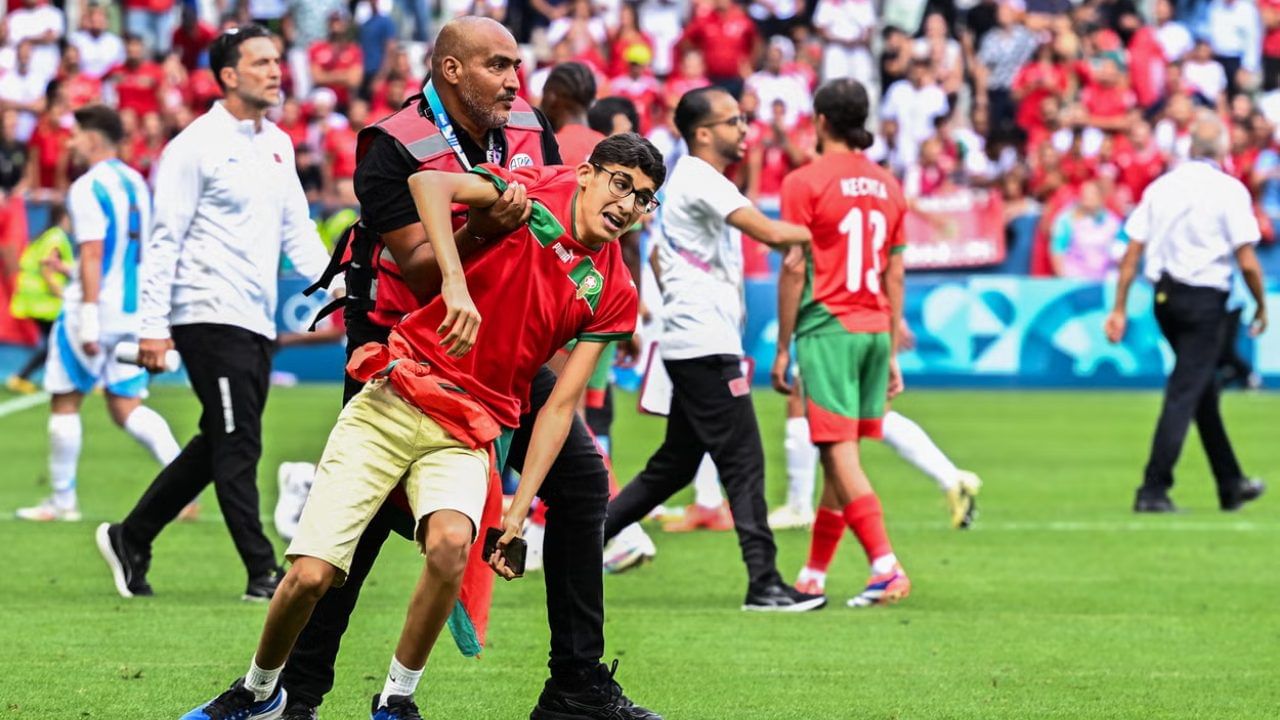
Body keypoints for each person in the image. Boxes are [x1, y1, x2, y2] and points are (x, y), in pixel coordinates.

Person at [178, 133, 665, 720]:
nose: (629, 204)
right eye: (621, 184)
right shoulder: (529, 188)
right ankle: (262, 692)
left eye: (643, 199)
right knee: (311, 575)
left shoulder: (613, 290)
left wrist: (517, 512)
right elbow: (427, 183)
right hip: (396, 393)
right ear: (586, 173)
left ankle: (396, 701)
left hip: (468, 429)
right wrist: (454, 283)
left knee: (452, 546)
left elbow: (560, 407)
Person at [277, 17, 659, 720]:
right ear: (452, 71)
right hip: (402, 341)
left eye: (516, 65)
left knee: (581, 482)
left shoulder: (529, 131)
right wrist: (486, 229)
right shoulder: (393, 142)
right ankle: (296, 695)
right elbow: (423, 272)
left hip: (495, 353)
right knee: (354, 533)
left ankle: (575, 685)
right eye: (498, 66)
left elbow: (551, 250)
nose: (515, 79)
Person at [94, 25, 332, 601]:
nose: (276, 71)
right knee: (240, 441)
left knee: (220, 438)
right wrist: (153, 326)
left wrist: (341, 288)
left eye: (277, 61)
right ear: (228, 75)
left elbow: (298, 233)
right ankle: (262, 572)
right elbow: (163, 239)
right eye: (261, 62)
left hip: (253, 318)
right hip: (204, 312)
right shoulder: (192, 146)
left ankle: (132, 536)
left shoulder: (277, 143)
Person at [602, 86, 821, 612]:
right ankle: (764, 583)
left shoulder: (695, 180)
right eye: (734, 120)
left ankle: (579, 540)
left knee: (674, 466)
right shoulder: (699, 177)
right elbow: (768, 232)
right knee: (743, 459)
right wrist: (828, 231)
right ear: (703, 133)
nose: (743, 128)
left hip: (695, 339)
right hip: (704, 343)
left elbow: (659, 261)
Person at [770, 78, 912, 608]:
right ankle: (813, 574)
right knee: (839, 452)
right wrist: (894, 345)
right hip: (876, 326)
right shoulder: (888, 185)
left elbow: (793, 264)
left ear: (821, 121)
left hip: (829, 326)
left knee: (837, 450)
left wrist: (784, 347)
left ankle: (886, 565)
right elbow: (896, 273)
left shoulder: (804, 181)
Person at [14, 105, 181, 523]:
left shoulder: (87, 187)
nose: (69, 143)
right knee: (126, 405)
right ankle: (182, 485)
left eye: (74, 135)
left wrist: (88, 314)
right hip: (131, 310)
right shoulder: (138, 184)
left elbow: (91, 253)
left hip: (91, 310)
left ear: (91, 139)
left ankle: (62, 502)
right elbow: (130, 253)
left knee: (65, 401)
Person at [1105, 112, 1268, 513]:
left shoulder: (1161, 187)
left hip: (1165, 298)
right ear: (1224, 150)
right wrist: (1262, 304)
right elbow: (1246, 259)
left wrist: (1120, 307)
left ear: (1189, 147)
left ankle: (1231, 484)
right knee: (1185, 391)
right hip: (1205, 300)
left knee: (1199, 390)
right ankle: (1153, 489)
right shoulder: (1230, 191)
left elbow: (1132, 251)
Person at [6, 204, 71, 395]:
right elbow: (47, 271)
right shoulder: (56, 237)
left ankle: (30, 377)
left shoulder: (45, 235)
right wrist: (63, 294)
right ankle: (21, 377)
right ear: (64, 217)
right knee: (56, 343)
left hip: (35, 300)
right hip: (45, 302)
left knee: (54, 343)